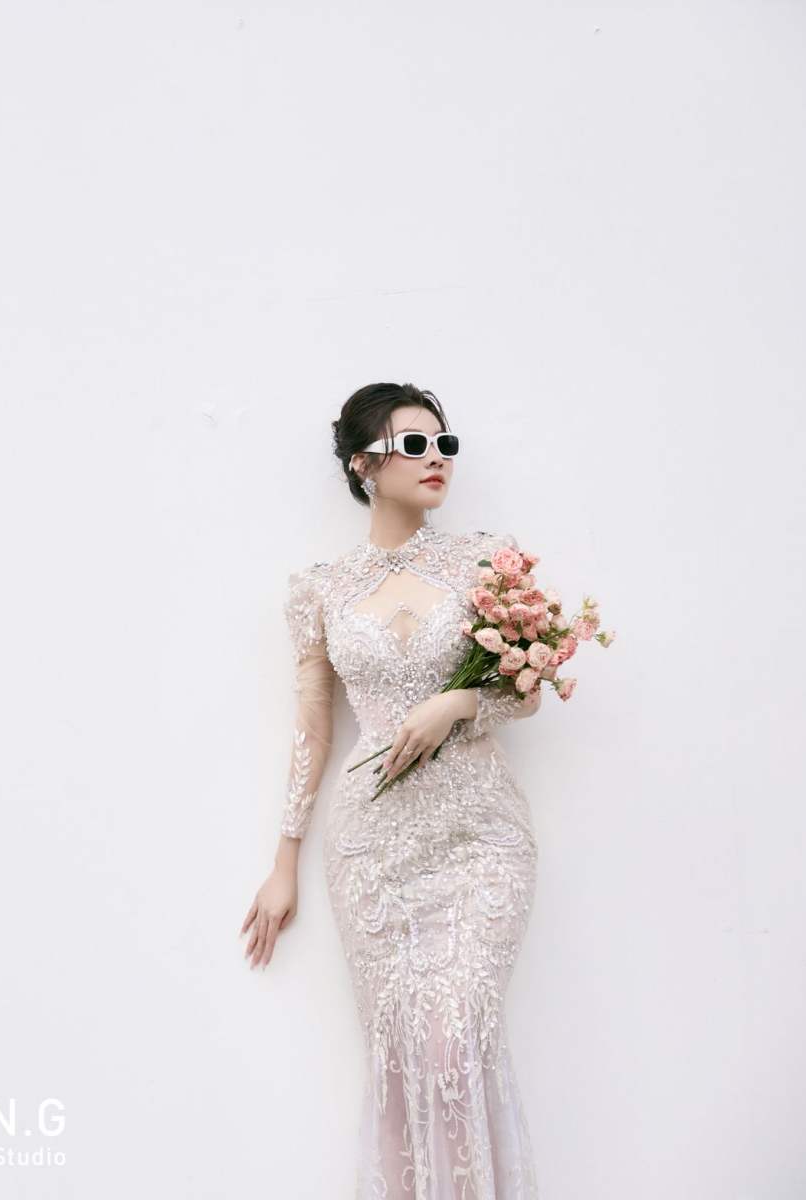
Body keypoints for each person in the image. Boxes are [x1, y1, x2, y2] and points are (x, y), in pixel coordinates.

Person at [240, 382, 542, 1198]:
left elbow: (527, 690)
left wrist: (459, 702)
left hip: (480, 835)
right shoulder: (320, 589)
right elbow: (313, 728)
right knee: (406, 1052)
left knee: (457, 1036)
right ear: (363, 465)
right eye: (415, 445)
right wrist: (283, 862)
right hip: (372, 850)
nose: (437, 459)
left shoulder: (487, 562)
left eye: (446, 444)